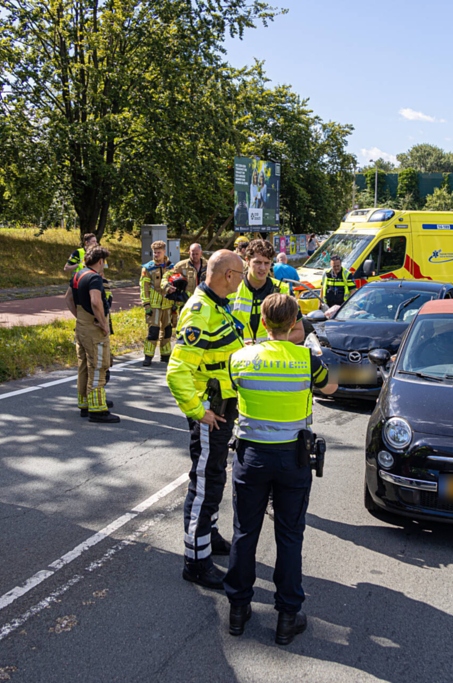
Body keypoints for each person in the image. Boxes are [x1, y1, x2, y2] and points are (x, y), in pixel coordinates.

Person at [224, 293, 337, 645]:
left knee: (245, 531)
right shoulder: (306, 359)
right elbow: (331, 386)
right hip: (292, 458)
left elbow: (230, 389)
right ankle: (287, 616)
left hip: (251, 456)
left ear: (262, 320)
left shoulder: (240, 357)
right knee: (289, 535)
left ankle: (238, 611)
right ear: (294, 324)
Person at [166, 250, 246, 589]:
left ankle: (208, 535)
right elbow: (177, 370)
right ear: (228, 275)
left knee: (214, 478)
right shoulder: (200, 311)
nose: (242, 280)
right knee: (203, 486)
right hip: (209, 412)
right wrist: (199, 411)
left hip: (223, 409)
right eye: (240, 274)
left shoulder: (218, 307)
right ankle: (195, 561)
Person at [65, 246, 118, 423]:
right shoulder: (95, 278)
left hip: (81, 325)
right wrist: (103, 324)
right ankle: (97, 410)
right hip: (94, 330)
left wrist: (80, 317)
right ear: (101, 261)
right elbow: (96, 302)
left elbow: (68, 299)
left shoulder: (78, 275)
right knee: (98, 366)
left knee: (83, 366)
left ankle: (84, 403)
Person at [231, 239, 305, 345]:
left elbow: (299, 333)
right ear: (247, 261)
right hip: (241, 357)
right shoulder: (232, 288)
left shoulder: (283, 290)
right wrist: (238, 343)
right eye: (257, 262)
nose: (262, 268)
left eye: (266, 263)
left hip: (272, 357)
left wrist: (269, 343)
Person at [140, 240, 175, 366]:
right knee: (153, 331)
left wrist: (175, 302)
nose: (156, 255)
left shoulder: (171, 267)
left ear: (164, 252)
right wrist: (146, 304)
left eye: (158, 252)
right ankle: (148, 356)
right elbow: (143, 287)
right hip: (153, 305)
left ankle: (165, 356)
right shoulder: (148, 267)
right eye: (154, 252)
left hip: (167, 304)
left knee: (167, 331)